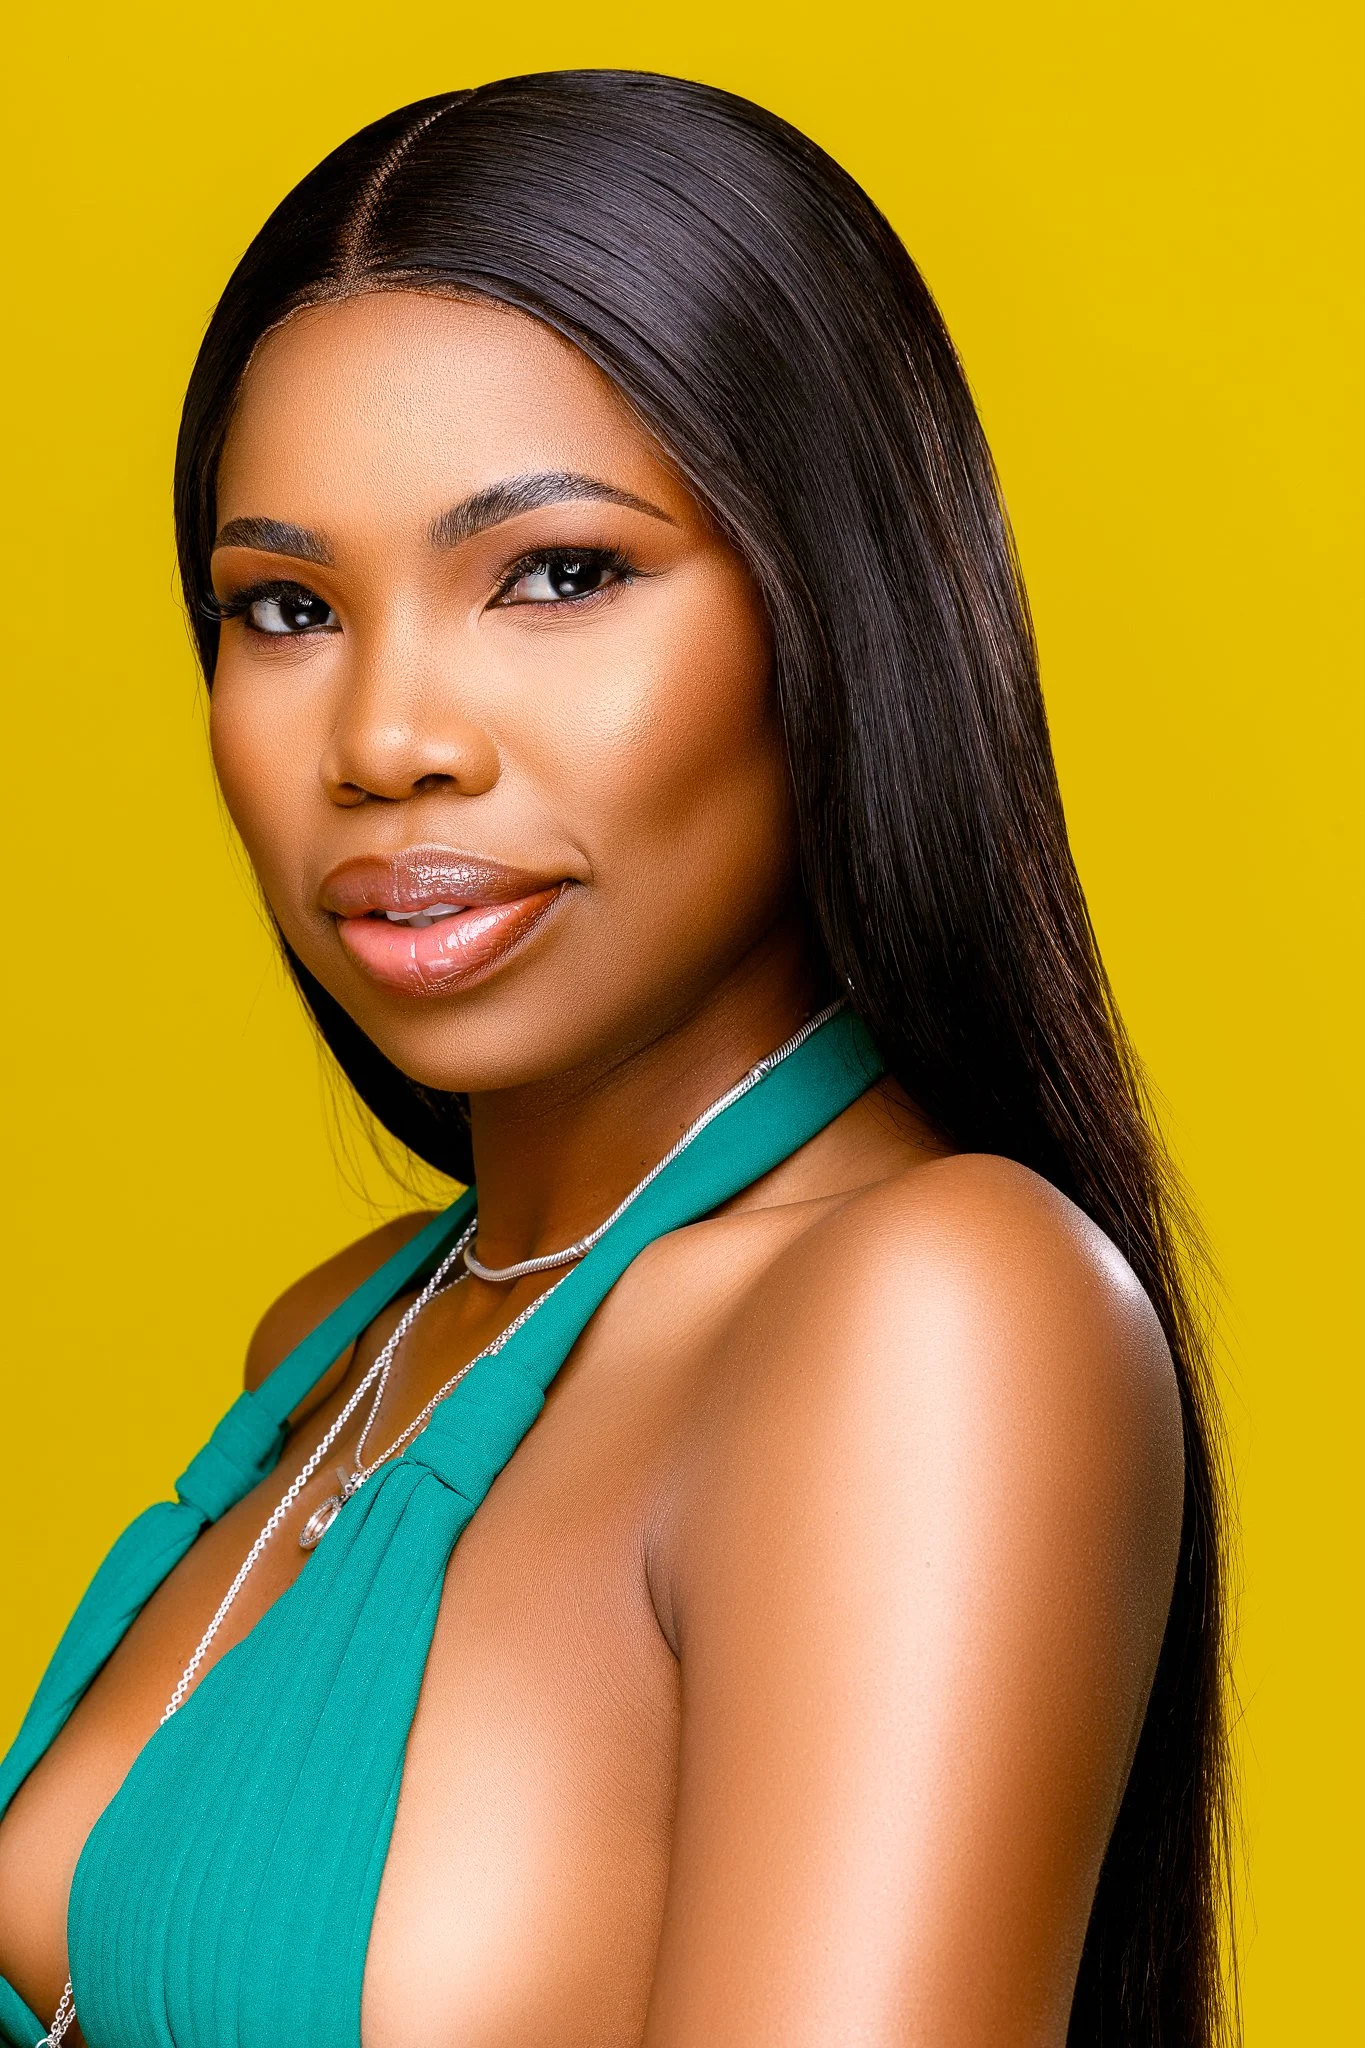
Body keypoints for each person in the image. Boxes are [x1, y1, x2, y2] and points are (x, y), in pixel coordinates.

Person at [0, 71, 1234, 2048]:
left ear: (827, 610)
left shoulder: (932, 1321)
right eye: (287, 606)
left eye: (557, 573)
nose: (389, 737)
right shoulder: (338, 1347)